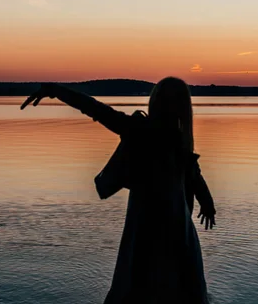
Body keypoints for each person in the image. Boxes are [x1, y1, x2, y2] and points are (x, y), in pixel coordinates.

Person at [21, 76, 216, 304]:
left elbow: (193, 174)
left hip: (160, 228)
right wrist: (57, 90)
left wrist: (207, 202)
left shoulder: (167, 138)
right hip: (167, 227)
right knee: (166, 286)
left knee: (146, 285)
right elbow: (97, 110)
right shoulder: (159, 135)